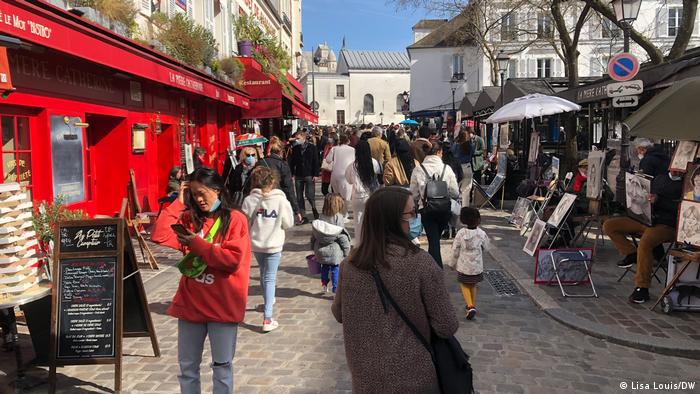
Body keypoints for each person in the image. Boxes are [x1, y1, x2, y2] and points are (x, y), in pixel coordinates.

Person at [331, 187, 459, 393]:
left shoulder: (349, 264)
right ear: (392, 219)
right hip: (414, 377)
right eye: (411, 213)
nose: (415, 218)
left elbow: (338, 313)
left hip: (366, 377)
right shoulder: (420, 264)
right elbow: (446, 325)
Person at [151, 167, 251, 393]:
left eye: (201, 193)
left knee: (222, 367)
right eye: (193, 194)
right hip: (191, 304)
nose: (198, 199)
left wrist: (197, 244)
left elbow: (232, 260)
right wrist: (178, 202)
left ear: (216, 190)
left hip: (223, 305)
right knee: (187, 368)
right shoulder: (189, 218)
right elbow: (159, 235)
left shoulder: (235, 220)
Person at [603, 170, 683, 304]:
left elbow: (681, 207)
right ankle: (631, 253)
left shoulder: (685, 183)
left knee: (645, 242)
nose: (675, 169)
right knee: (610, 225)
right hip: (645, 219)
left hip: (665, 224)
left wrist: (659, 201)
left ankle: (642, 287)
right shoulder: (659, 178)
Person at [241, 167, 294, 332]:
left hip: (257, 243)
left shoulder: (249, 200)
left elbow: (243, 221)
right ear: (273, 181)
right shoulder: (281, 201)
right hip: (273, 243)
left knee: (264, 275)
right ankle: (267, 318)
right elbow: (289, 223)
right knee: (269, 277)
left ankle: (268, 301)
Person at [410, 143, 459, 267]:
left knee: (433, 241)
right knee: (434, 240)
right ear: (439, 152)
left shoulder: (418, 169)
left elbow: (414, 194)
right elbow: (455, 192)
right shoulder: (447, 168)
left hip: (426, 209)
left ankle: (435, 271)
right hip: (444, 209)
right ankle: (435, 271)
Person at [448, 207, 489, 320]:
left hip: (464, 265)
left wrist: (451, 263)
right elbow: (487, 247)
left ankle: (470, 306)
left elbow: (455, 250)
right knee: (473, 284)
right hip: (476, 266)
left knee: (464, 284)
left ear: (463, 219)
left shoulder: (461, 233)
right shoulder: (481, 233)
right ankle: (470, 305)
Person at [310, 193, 351, 294]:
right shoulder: (338, 218)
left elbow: (314, 235)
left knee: (324, 267)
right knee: (335, 269)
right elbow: (342, 236)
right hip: (334, 251)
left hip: (320, 249)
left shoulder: (321, 217)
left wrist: (312, 247)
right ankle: (335, 289)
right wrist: (346, 251)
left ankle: (324, 284)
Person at [256, 141, 302, 224]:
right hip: (276, 196)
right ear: (281, 151)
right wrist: (296, 210)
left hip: (261, 196)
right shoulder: (282, 164)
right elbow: (288, 187)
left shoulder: (261, 162)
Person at [346, 140, 381, 243]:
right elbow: (379, 175)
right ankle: (372, 242)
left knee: (358, 221)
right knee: (372, 220)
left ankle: (360, 244)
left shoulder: (352, 166)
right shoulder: (374, 162)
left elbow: (348, 180)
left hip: (357, 196)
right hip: (371, 195)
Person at [288, 131, 320, 223]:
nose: (296, 140)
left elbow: (316, 161)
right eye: (296, 138)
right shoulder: (295, 148)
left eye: (298, 138)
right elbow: (292, 162)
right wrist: (292, 173)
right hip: (298, 174)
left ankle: (313, 208)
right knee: (299, 196)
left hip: (309, 174)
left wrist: (316, 174)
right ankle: (303, 216)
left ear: (303, 138)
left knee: (309, 195)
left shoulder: (312, 147)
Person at [441, 141, 463, 239]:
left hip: (442, 188)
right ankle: (454, 229)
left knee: (445, 209)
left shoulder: (441, 161)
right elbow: (461, 175)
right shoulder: (456, 160)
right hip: (454, 187)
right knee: (454, 209)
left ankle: (446, 230)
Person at [453, 130, 473, 207]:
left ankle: (456, 207)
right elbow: (472, 155)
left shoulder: (456, 146)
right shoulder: (470, 146)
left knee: (455, 188)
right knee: (466, 190)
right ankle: (465, 209)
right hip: (467, 167)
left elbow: (453, 154)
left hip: (457, 168)